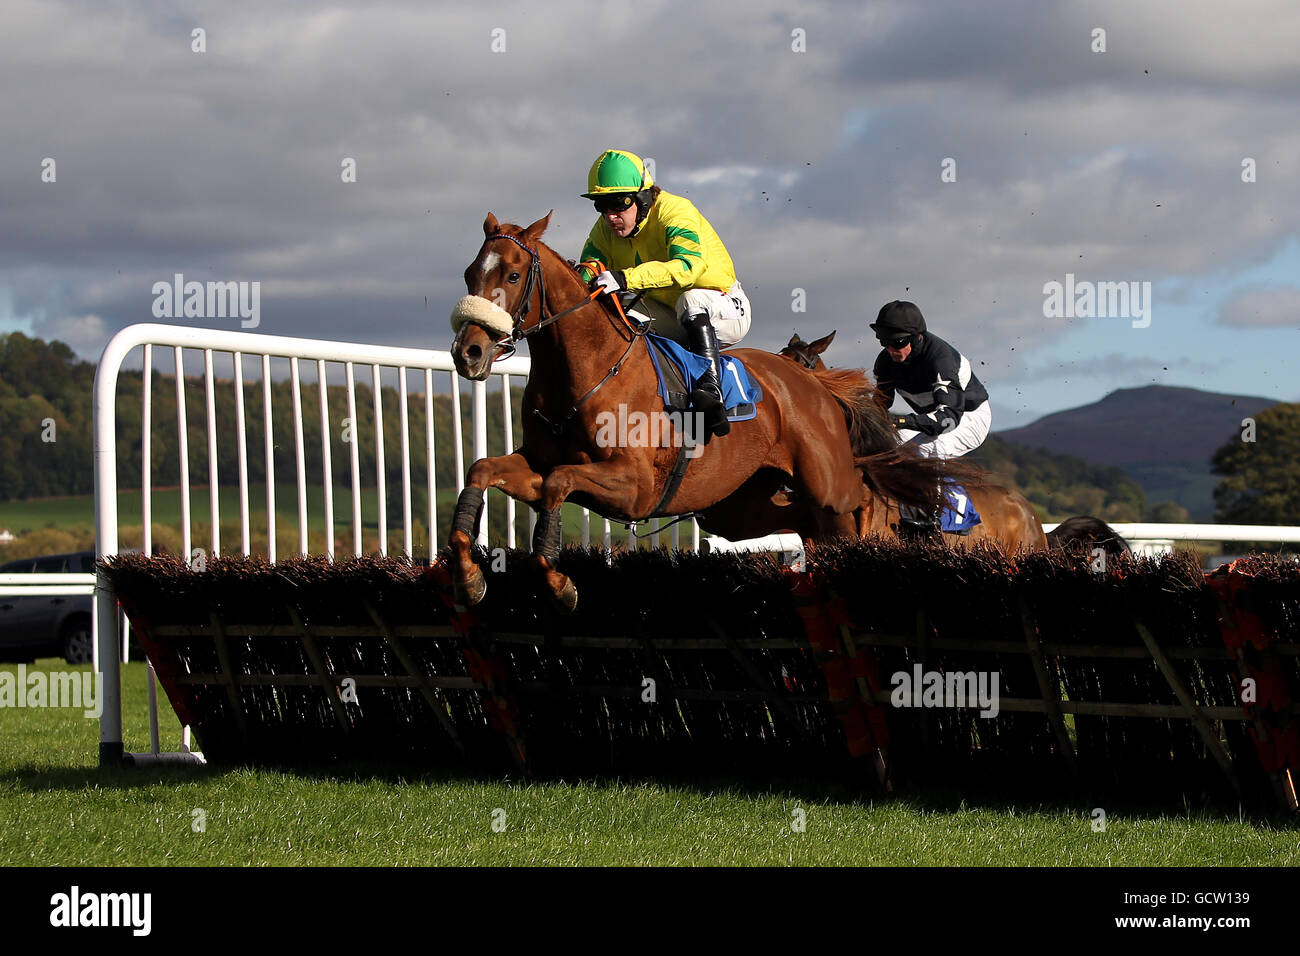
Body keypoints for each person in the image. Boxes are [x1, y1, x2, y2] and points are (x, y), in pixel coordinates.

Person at [575, 148, 750, 438]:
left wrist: (625, 276)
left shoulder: (676, 211)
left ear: (644, 197)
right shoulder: (604, 229)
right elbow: (590, 268)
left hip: (724, 307)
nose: (610, 215)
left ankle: (711, 393)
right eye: (601, 205)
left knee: (689, 299)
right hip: (671, 315)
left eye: (618, 203)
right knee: (616, 308)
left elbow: (688, 268)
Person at [870, 300, 991, 531]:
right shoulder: (886, 362)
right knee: (886, 447)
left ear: (917, 337)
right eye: (885, 342)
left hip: (967, 418)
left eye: (898, 343)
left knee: (921, 450)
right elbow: (879, 408)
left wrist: (901, 421)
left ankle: (934, 515)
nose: (891, 350)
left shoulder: (941, 360)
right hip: (931, 419)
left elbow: (947, 420)